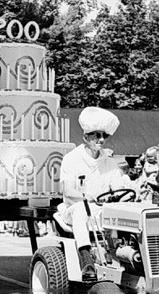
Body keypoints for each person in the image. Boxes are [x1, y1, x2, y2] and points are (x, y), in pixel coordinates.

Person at [59, 107, 125, 281]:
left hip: (102, 210)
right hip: (75, 209)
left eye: (104, 136)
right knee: (82, 208)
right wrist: (87, 197)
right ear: (85, 137)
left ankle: (125, 257)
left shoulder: (109, 162)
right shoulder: (72, 158)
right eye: (96, 135)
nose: (101, 140)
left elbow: (119, 188)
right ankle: (86, 260)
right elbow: (68, 191)